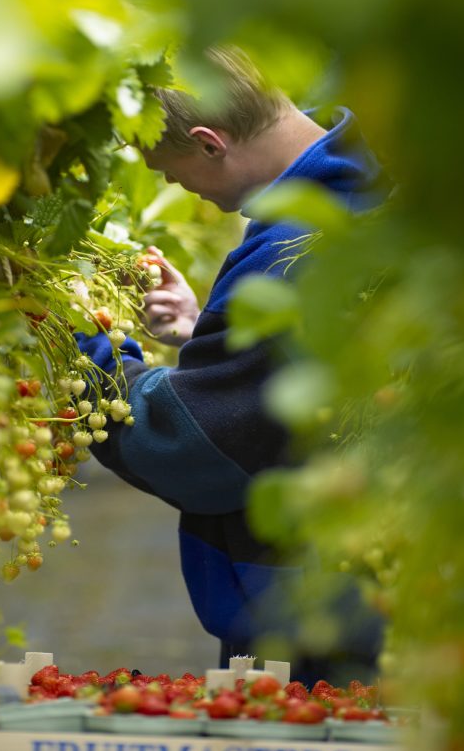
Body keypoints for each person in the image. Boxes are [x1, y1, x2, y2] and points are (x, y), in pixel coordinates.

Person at [76, 46, 390, 686]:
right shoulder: (369, 195)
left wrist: (88, 345)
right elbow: (310, 375)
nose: (172, 186)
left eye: (168, 170)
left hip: (316, 613)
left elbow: (190, 443)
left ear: (209, 143)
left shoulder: (293, 252)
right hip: (386, 585)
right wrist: (211, 333)